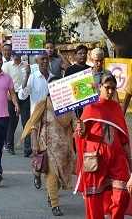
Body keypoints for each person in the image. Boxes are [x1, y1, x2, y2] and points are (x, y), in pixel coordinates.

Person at [75, 74, 132, 219]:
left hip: (117, 159)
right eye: (107, 88)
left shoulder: (116, 108)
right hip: (96, 158)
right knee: (94, 199)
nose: (110, 91)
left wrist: (130, 162)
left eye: (113, 88)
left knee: (122, 195)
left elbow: (124, 137)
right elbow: (81, 136)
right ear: (100, 87)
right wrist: (81, 129)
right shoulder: (90, 106)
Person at [21, 88, 75, 217]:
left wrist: (80, 127)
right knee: (52, 175)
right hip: (47, 146)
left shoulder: (68, 108)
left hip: (64, 149)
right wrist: (34, 142)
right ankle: (55, 205)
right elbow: (34, 124)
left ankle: (50, 195)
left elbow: (75, 125)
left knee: (58, 179)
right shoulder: (43, 104)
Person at [18, 53, 51, 189]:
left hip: (51, 121)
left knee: (51, 151)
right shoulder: (33, 77)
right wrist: (26, 75)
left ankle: (52, 181)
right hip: (36, 121)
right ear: (36, 61)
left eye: (46, 59)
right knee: (37, 151)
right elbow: (22, 95)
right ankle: (37, 173)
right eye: (41, 59)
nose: (44, 61)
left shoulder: (54, 78)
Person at [0, 49, 19, 186]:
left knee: (0, 145)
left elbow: (12, 93)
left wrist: (16, 104)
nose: (0, 61)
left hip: (4, 116)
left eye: (1, 59)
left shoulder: (7, 77)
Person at [3, 53, 31, 156]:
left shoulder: (26, 65)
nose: (16, 56)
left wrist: (28, 73)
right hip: (12, 95)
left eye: (18, 53)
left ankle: (27, 148)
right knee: (12, 122)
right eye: (14, 53)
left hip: (24, 96)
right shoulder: (6, 66)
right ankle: (9, 145)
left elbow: (29, 81)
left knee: (26, 121)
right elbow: (4, 80)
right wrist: (7, 93)